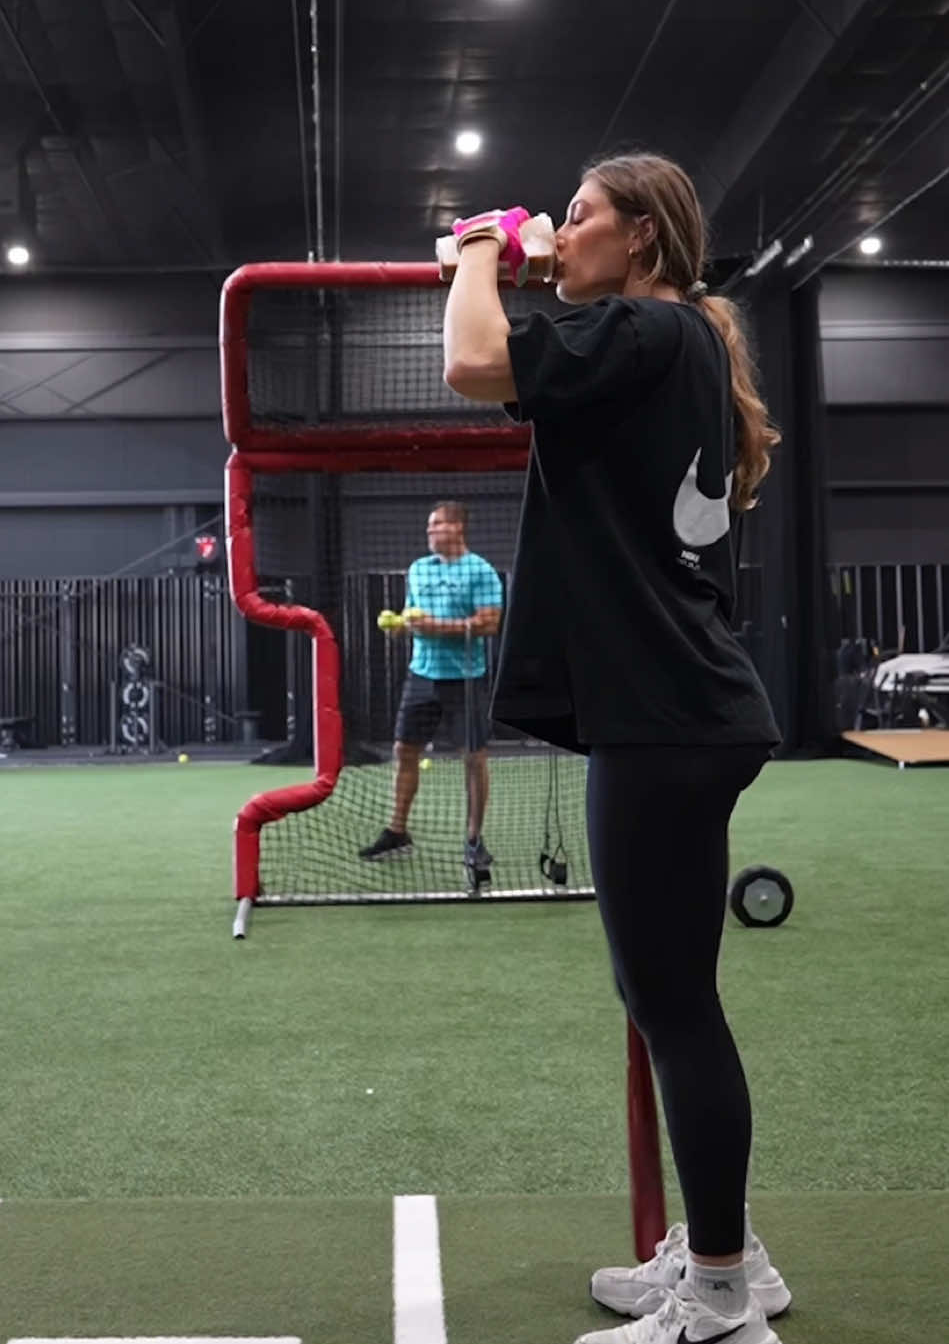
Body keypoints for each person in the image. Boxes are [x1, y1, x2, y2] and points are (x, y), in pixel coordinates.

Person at [442, 154, 791, 1344]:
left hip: (664, 717)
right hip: (683, 712)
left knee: (671, 1005)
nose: (562, 232)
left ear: (640, 237)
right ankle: (727, 1253)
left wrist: (483, 245)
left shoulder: (645, 331)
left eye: (580, 214)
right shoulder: (673, 338)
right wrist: (540, 259)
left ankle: (720, 1294)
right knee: (669, 1000)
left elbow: (472, 361)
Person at [358, 501, 503, 889]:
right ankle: (397, 832)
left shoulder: (481, 571)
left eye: (437, 524)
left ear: (457, 528)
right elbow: (411, 617)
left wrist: (436, 625)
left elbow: (489, 625)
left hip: (466, 679)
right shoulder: (419, 570)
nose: (430, 530)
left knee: (473, 758)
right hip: (421, 676)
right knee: (404, 751)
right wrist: (401, 628)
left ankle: (473, 840)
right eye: (429, 525)